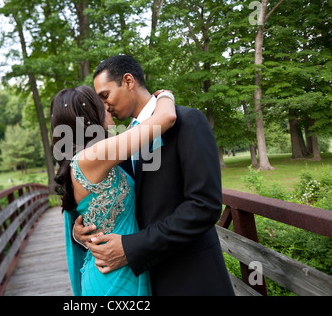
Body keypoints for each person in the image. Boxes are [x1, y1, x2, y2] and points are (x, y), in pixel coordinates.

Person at [74, 55, 235, 296]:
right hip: (144, 282)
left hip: (191, 278)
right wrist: (82, 232)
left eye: (105, 95)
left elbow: (204, 206)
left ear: (128, 81)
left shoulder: (189, 122)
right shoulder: (126, 140)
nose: (104, 106)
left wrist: (131, 248)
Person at [50, 85, 176, 295]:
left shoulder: (91, 158)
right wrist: (165, 95)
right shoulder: (93, 156)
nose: (109, 107)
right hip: (113, 277)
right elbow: (167, 117)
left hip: (115, 267)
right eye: (103, 104)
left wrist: (77, 234)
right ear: (91, 115)